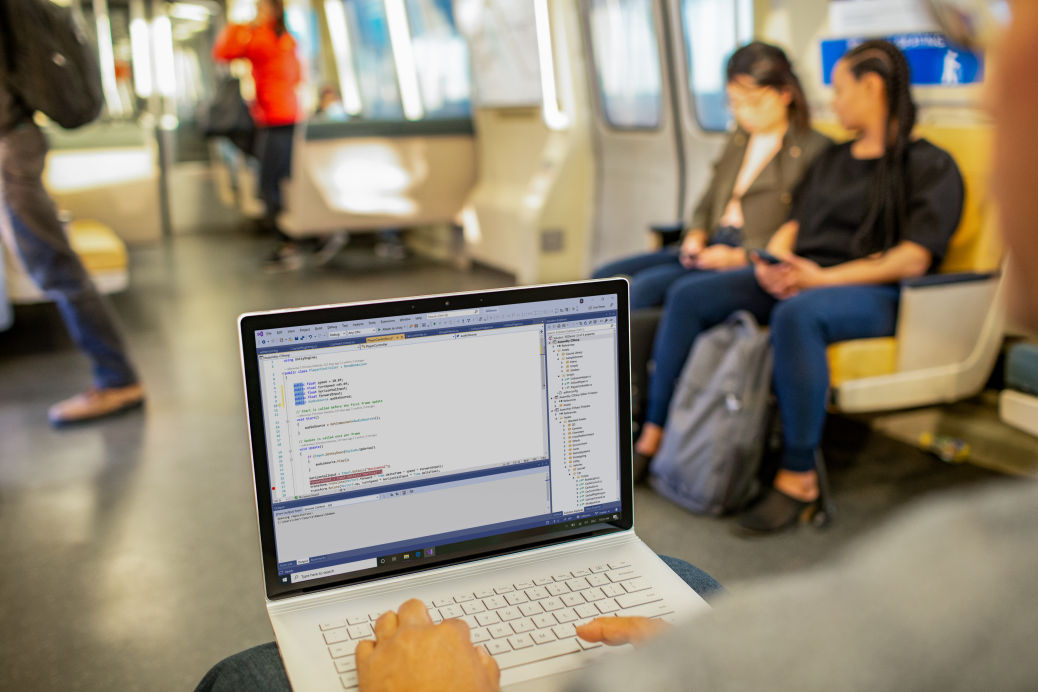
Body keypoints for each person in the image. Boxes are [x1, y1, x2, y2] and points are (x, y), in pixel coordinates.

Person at [197, 5, 1038, 688]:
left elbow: (910, 254)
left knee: (233, 681)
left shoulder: (920, 166)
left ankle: (742, 457)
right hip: (794, 270)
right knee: (622, 303)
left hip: (847, 289)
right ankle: (627, 438)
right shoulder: (822, 165)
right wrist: (762, 256)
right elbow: (776, 226)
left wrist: (795, 274)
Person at [634, 40, 965, 533]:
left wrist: (821, 278)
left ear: (871, 88)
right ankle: (654, 435)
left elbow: (913, 257)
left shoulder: (929, 165)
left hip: (877, 290)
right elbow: (795, 224)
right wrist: (774, 262)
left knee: (798, 314)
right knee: (689, 296)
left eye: (840, 90)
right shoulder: (835, 160)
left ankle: (798, 474)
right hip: (806, 273)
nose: (832, 102)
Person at [592, 42, 830, 310]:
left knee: (647, 289)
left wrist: (740, 256)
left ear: (785, 93)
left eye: (754, 102)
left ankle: (638, 353)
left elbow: (800, 228)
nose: (744, 113)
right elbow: (710, 197)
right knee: (604, 277)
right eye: (735, 103)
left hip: (747, 251)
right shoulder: (740, 139)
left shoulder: (814, 149)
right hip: (711, 243)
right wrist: (695, 233)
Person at [0, 1, 144, 426]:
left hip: (10, 149)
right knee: (54, 267)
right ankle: (116, 376)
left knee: (57, 269)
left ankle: (117, 378)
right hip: (16, 144)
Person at [214, 0, 305, 271]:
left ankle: (287, 243)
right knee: (280, 180)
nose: (257, 12)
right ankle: (292, 239)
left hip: (275, 119)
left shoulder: (262, 36)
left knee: (268, 183)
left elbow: (223, 52)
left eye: (261, 7)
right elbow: (297, 76)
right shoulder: (286, 38)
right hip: (288, 117)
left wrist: (238, 24)